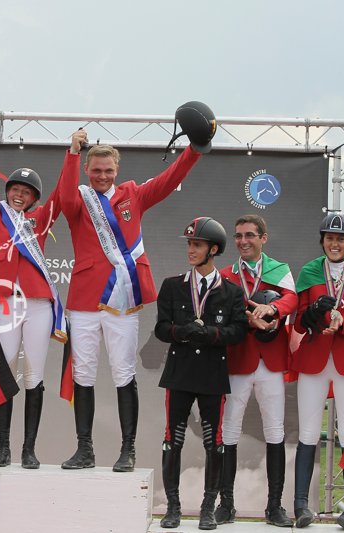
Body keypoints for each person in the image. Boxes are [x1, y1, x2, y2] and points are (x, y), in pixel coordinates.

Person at [59, 134, 204, 472]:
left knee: (123, 372)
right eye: (97, 170)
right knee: (82, 373)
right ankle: (84, 449)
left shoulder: (133, 195)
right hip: (84, 299)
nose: (103, 176)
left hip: (122, 299)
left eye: (108, 170)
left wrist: (194, 149)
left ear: (117, 170)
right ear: (87, 170)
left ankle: (128, 450)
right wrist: (72, 153)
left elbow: (169, 180)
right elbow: (64, 199)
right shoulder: (80, 198)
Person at [0, 116, 83, 468]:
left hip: (37, 305)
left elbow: (63, 193)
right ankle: (3, 448)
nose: (18, 195)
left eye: (26, 192)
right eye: (14, 190)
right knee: (4, 372)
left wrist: (72, 153)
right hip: (5, 304)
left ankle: (28, 450)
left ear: (34, 198)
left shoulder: (40, 219)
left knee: (35, 375)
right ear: (7, 192)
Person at [155, 217, 248, 530]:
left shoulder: (232, 292)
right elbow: (161, 328)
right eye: (189, 244)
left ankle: (208, 509)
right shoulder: (172, 286)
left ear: (214, 249)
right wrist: (181, 332)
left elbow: (239, 331)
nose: (191, 250)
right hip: (179, 374)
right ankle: (173, 508)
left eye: (197, 245)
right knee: (173, 439)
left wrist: (212, 334)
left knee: (214, 442)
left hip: (212, 375)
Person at [291, 212, 344, 531]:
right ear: (323, 240)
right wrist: (313, 313)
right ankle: (301, 505)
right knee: (308, 432)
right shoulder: (309, 272)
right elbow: (298, 321)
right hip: (314, 359)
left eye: (341, 239)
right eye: (330, 238)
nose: (335, 243)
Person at [216, 214, 297, 527]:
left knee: (275, 432)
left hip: (271, 361)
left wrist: (272, 308)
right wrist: (246, 317)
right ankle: (226, 504)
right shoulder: (226, 274)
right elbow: (220, 310)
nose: (243, 241)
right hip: (238, 359)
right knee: (229, 431)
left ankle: (274, 507)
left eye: (250, 235)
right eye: (238, 236)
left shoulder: (279, 269)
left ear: (264, 238)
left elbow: (292, 299)